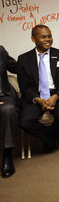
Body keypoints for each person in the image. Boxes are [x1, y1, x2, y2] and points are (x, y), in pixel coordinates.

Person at [17, 25, 59, 153]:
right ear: (33, 39)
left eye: (49, 36)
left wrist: (55, 97)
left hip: (57, 93)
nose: (48, 39)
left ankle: (54, 137)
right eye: (43, 37)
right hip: (35, 94)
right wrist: (38, 99)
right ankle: (52, 138)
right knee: (24, 122)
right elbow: (24, 86)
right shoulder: (23, 59)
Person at [0, 46, 18, 178]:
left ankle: (7, 154)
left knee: (9, 109)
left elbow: (17, 68)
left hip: (3, 95)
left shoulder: (0, 50)